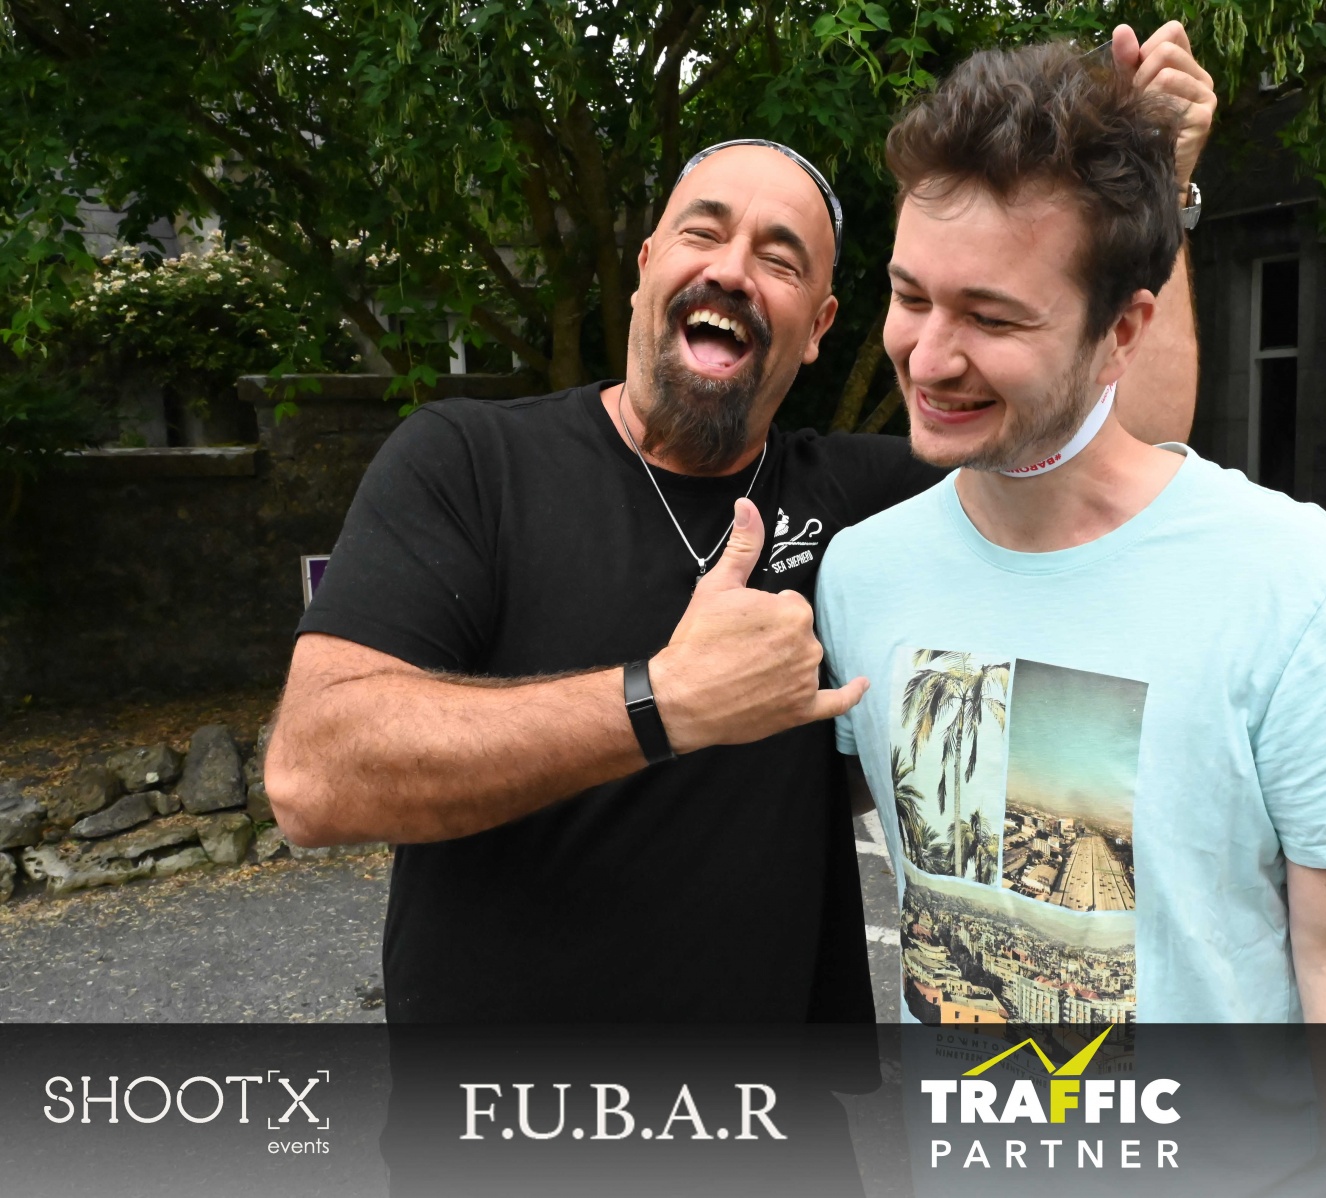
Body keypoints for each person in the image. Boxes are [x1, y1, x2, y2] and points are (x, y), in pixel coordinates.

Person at [264, 25, 1217, 1023]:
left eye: (780, 258)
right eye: (703, 232)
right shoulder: (469, 462)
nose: (732, 269)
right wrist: (661, 702)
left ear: (818, 330)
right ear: (646, 266)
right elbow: (313, 776)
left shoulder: (865, 505)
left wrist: (1166, 189)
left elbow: (1120, 435)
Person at [815, 40, 1326, 1026]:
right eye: (911, 296)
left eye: (991, 318)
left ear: (1123, 334)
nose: (927, 358)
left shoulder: (1293, 582)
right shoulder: (861, 574)